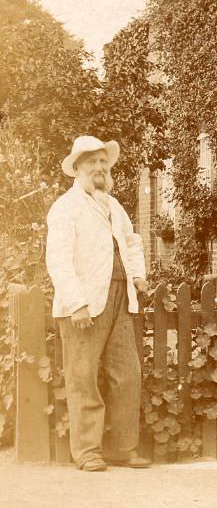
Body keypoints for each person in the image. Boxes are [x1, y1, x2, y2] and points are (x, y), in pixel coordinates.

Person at [46, 135, 151, 471]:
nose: (99, 168)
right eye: (91, 162)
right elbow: (58, 259)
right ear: (77, 168)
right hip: (85, 304)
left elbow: (131, 243)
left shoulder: (113, 206)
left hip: (120, 299)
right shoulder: (65, 208)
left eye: (103, 162)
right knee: (83, 375)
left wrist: (138, 275)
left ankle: (123, 447)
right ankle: (88, 451)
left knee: (128, 374)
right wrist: (76, 303)